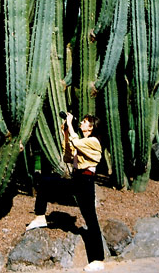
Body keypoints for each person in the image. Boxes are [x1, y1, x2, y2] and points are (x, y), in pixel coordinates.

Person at [26, 112, 105, 272]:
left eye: (84, 122)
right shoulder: (83, 142)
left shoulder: (94, 142)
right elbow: (68, 157)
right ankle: (40, 217)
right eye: (82, 121)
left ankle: (98, 260)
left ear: (91, 127)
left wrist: (69, 123)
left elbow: (76, 143)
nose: (81, 123)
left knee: (91, 219)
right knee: (45, 182)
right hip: (77, 180)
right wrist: (66, 133)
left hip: (86, 182)